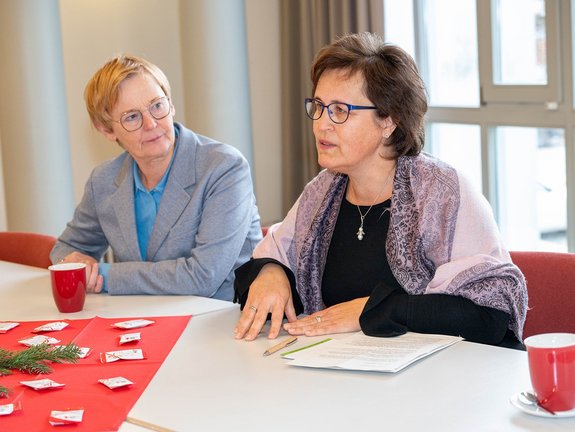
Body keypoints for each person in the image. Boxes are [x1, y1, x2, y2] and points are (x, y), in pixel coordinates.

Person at [233, 32, 527, 348]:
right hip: (340, 377)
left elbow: (489, 312)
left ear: (388, 121)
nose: (321, 124)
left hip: (440, 380)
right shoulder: (322, 192)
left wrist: (373, 309)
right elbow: (273, 256)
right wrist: (270, 274)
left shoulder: (443, 192)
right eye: (318, 106)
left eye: (340, 111)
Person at [51, 54, 262, 300]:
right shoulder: (104, 181)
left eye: (157, 105)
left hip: (225, 320)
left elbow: (203, 277)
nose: (151, 124)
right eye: (132, 116)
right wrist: (73, 261)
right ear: (107, 130)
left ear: (171, 104)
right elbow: (65, 248)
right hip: (143, 319)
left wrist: (103, 275)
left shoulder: (223, 168)